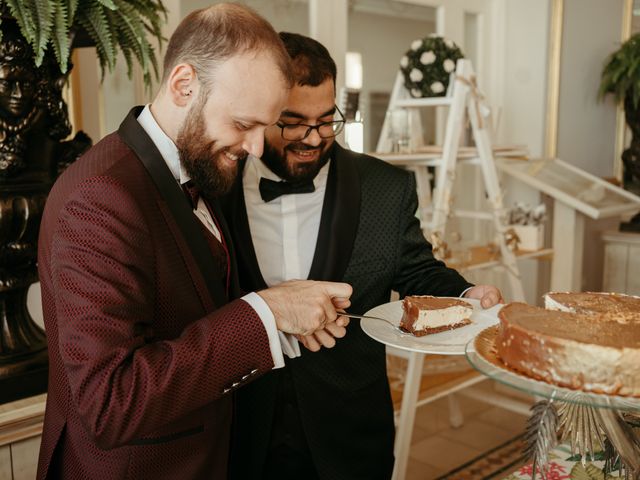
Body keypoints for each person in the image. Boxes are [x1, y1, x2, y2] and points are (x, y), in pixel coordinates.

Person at [35, 6, 352, 480]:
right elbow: (109, 404)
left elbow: (189, 315)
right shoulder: (99, 197)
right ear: (184, 85)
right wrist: (265, 313)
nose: (256, 149)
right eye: (244, 124)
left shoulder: (194, 166)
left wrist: (281, 320)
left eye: (263, 128)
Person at [222, 32, 503, 480]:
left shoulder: (386, 189)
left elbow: (416, 269)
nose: (313, 138)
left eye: (325, 120)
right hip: (238, 425)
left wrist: (467, 292)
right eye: (293, 122)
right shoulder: (217, 184)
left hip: (348, 428)